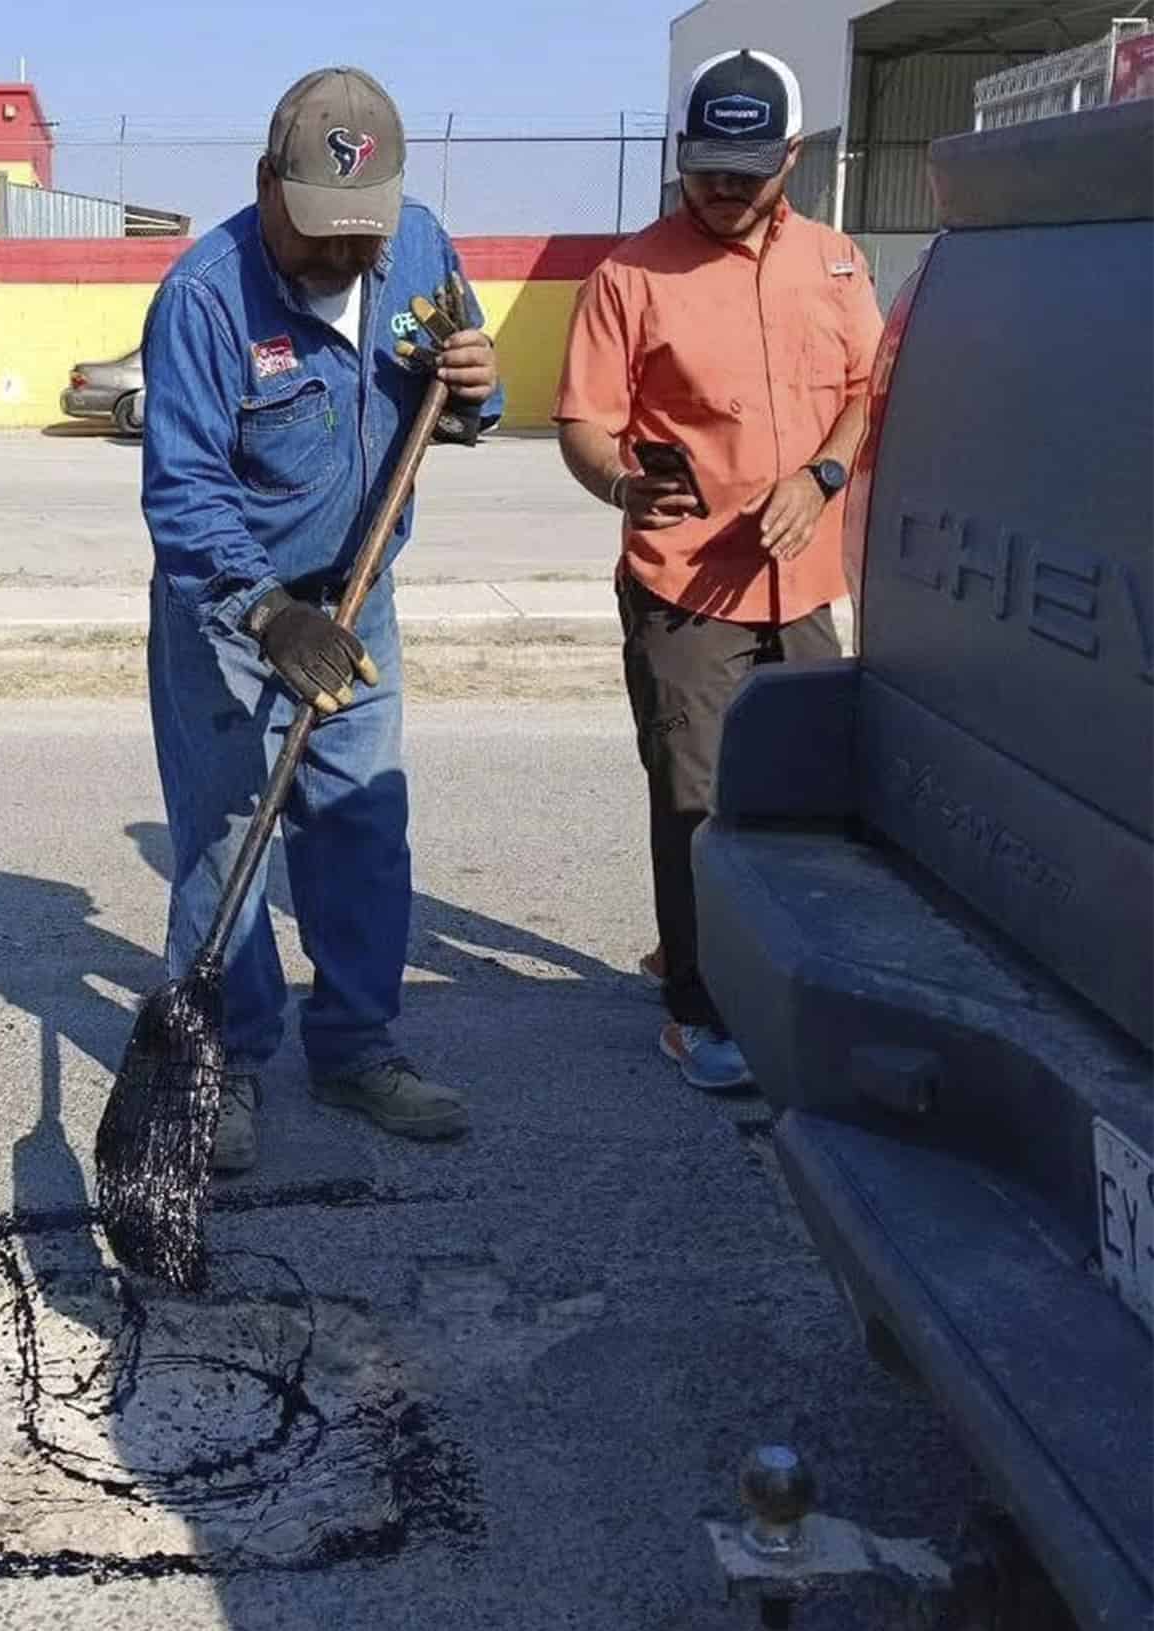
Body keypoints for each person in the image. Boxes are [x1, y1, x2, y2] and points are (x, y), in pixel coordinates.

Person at [138, 65, 501, 1174]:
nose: (344, 259)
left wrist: (478, 388)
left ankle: (352, 1048)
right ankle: (229, 1062)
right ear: (266, 187)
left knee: (357, 821)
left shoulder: (423, 247)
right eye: (319, 236)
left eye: (362, 238)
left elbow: (464, 383)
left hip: (362, 592)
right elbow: (183, 491)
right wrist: (266, 613)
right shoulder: (204, 298)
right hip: (231, 608)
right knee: (227, 837)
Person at [552, 48, 882, 1094]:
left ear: (791, 156)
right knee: (695, 802)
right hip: (683, 589)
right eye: (704, 169)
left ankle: (770, 964)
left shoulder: (836, 263)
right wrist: (618, 485)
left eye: (745, 169)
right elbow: (583, 422)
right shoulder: (628, 276)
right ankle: (697, 1006)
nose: (722, 190)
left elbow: (867, 389)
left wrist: (822, 474)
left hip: (804, 580)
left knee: (805, 796)